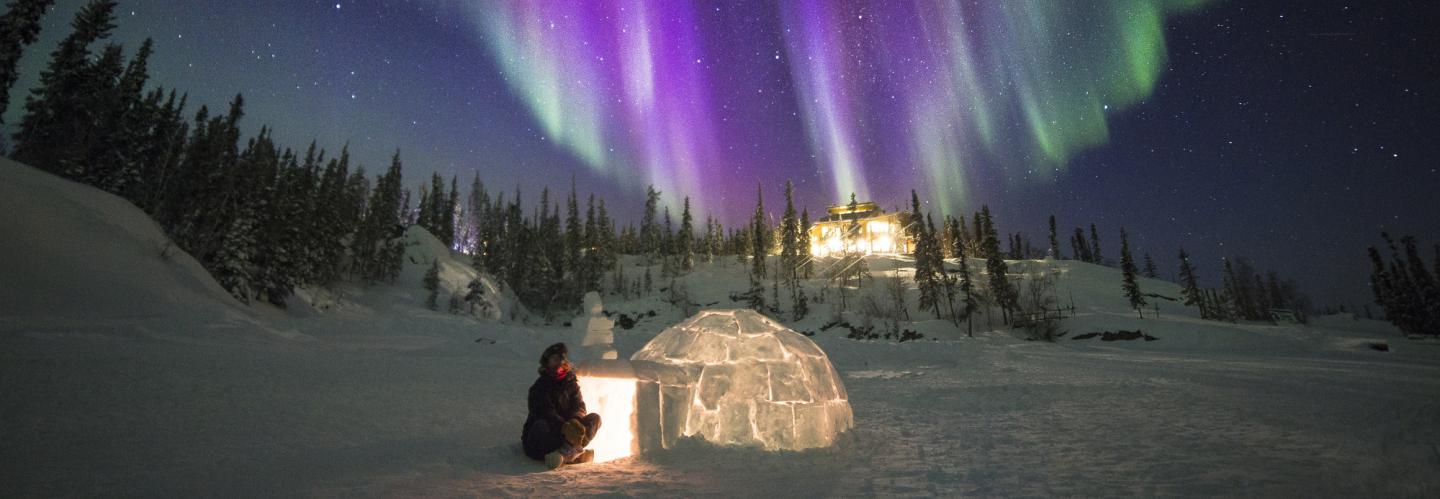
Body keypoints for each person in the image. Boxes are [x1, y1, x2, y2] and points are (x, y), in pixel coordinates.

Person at [521, 342, 602, 468]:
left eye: (561, 359)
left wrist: (575, 421)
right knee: (541, 425)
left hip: (568, 433)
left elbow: (579, 406)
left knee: (594, 419)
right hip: (546, 435)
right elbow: (545, 412)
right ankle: (572, 453)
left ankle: (564, 453)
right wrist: (565, 427)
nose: (559, 363)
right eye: (554, 359)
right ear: (547, 362)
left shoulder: (571, 383)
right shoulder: (539, 387)